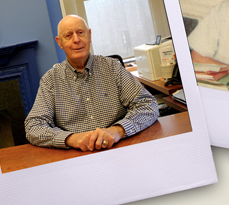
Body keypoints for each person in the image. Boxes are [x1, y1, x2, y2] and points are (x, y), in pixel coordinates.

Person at [25, 15, 159, 151]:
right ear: (60, 43)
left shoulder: (113, 68)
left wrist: (118, 130)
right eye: (68, 35)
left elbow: (148, 105)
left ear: (89, 35)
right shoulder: (50, 80)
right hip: (75, 155)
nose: (76, 40)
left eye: (80, 33)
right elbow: (34, 126)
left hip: (119, 148)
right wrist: (71, 138)